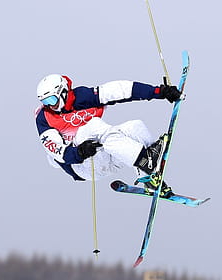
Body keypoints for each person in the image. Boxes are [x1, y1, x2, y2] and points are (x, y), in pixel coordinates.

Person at [34, 74, 182, 195]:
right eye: (44, 101)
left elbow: (120, 90)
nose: (50, 105)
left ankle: (149, 178)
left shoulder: (82, 97)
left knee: (136, 127)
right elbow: (56, 150)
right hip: (82, 166)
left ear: (63, 92)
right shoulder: (45, 118)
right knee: (93, 125)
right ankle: (145, 161)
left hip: (108, 155)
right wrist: (79, 152)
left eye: (51, 99)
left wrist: (159, 92)